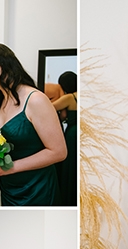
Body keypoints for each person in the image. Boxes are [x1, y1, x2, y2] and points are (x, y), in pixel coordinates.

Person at [0, 44, 66, 206]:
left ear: (3, 59)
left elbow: (58, 152)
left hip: (37, 188)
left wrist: (9, 168)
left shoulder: (35, 99)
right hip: (9, 188)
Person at [50, 71, 77, 206]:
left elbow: (48, 108)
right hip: (81, 134)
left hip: (73, 134)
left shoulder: (70, 98)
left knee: (69, 168)